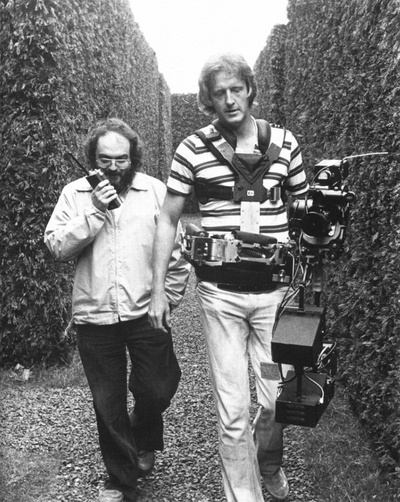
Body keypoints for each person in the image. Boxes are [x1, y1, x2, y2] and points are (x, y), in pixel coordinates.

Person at [148, 53, 309, 502]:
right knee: (234, 409)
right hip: (221, 298)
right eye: (219, 93)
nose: (230, 100)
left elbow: (304, 211)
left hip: (275, 298)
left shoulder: (285, 144)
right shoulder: (191, 149)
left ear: (250, 90)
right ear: (208, 100)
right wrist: (159, 290)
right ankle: (243, 495)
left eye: (236, 89)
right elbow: (168, 218)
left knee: (276, 396)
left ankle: (268, 461)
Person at [44, 118, 190, 502]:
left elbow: (177, 255)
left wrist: (168, 298)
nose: (113, 167)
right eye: (104, 159)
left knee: (157, 388)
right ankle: (122, 480)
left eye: (121, 159)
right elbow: (56, 247)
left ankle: (143, 432)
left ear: (133, 157)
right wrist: (93, 211)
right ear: (92, 158)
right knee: (108, 404)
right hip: (95, 315)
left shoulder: (155, 190)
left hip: (146, 311)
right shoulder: (75, 194)